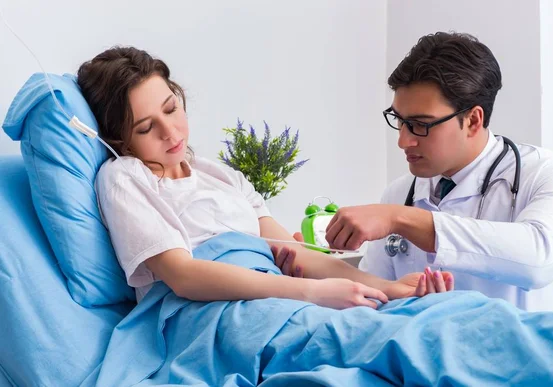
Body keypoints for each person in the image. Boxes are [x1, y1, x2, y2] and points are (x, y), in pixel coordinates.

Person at [77, 46, 452, 308]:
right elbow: (184, 276)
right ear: (120, 141)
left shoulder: (219, 176)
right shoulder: (124, 176)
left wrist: (387, 288)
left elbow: (301, 256)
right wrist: (310, 294)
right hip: (210, 313)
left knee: (441, 317)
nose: (170, 132)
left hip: (274, 298)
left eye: (171, 108)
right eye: (146, 128)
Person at [287, 32, 553, 314]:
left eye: (421, 125)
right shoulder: (400, 193)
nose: (403, 140)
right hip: (447, 363)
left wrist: (400, 219)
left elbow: (537, 260)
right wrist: (316, 272)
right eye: (400, 120)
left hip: (552, 363)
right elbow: (372, 299)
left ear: (473, 120)